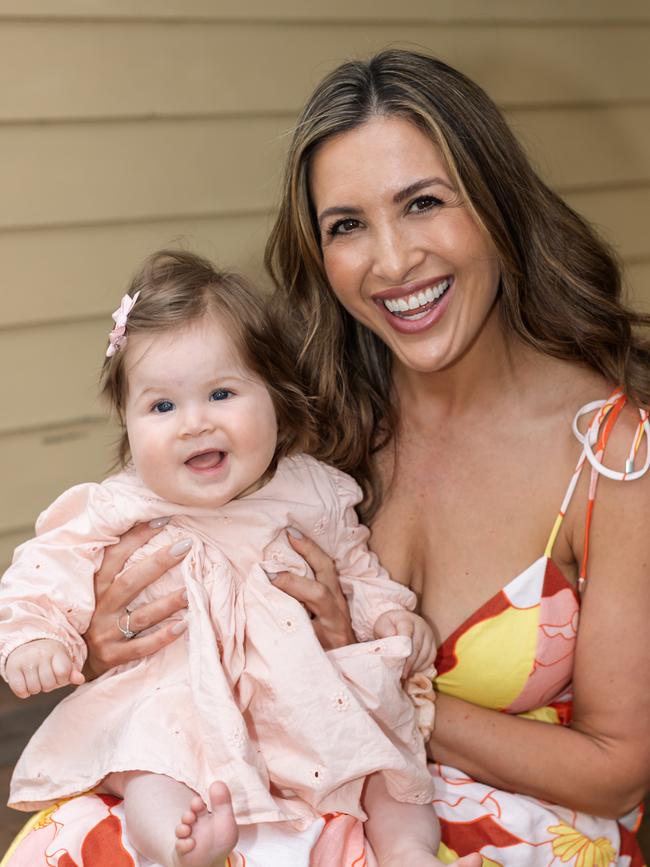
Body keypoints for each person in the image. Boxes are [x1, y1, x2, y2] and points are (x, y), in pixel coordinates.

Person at [3, 48, 650, 866]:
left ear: (496, 204)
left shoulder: (611, 454)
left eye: (422, 203)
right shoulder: (295, 415)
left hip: (511, 823)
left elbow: (616, 773)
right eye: (347, 224)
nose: (391, 260)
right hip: (284, 795)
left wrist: (355, 676)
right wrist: (106, 636)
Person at [0, 250, 481, 867]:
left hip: (303, 695)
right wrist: (34, 637)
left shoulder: (312, 490)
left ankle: (411, 854)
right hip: (180, 700)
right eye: (161, 406)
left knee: (388, 758)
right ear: (127, 422)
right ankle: (180, 847)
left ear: (278, 403)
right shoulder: (117, 505)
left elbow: (356, 568)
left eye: (221, 393)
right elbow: (46, 567)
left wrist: (389, 615)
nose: (194, 424)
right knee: (152, 766)